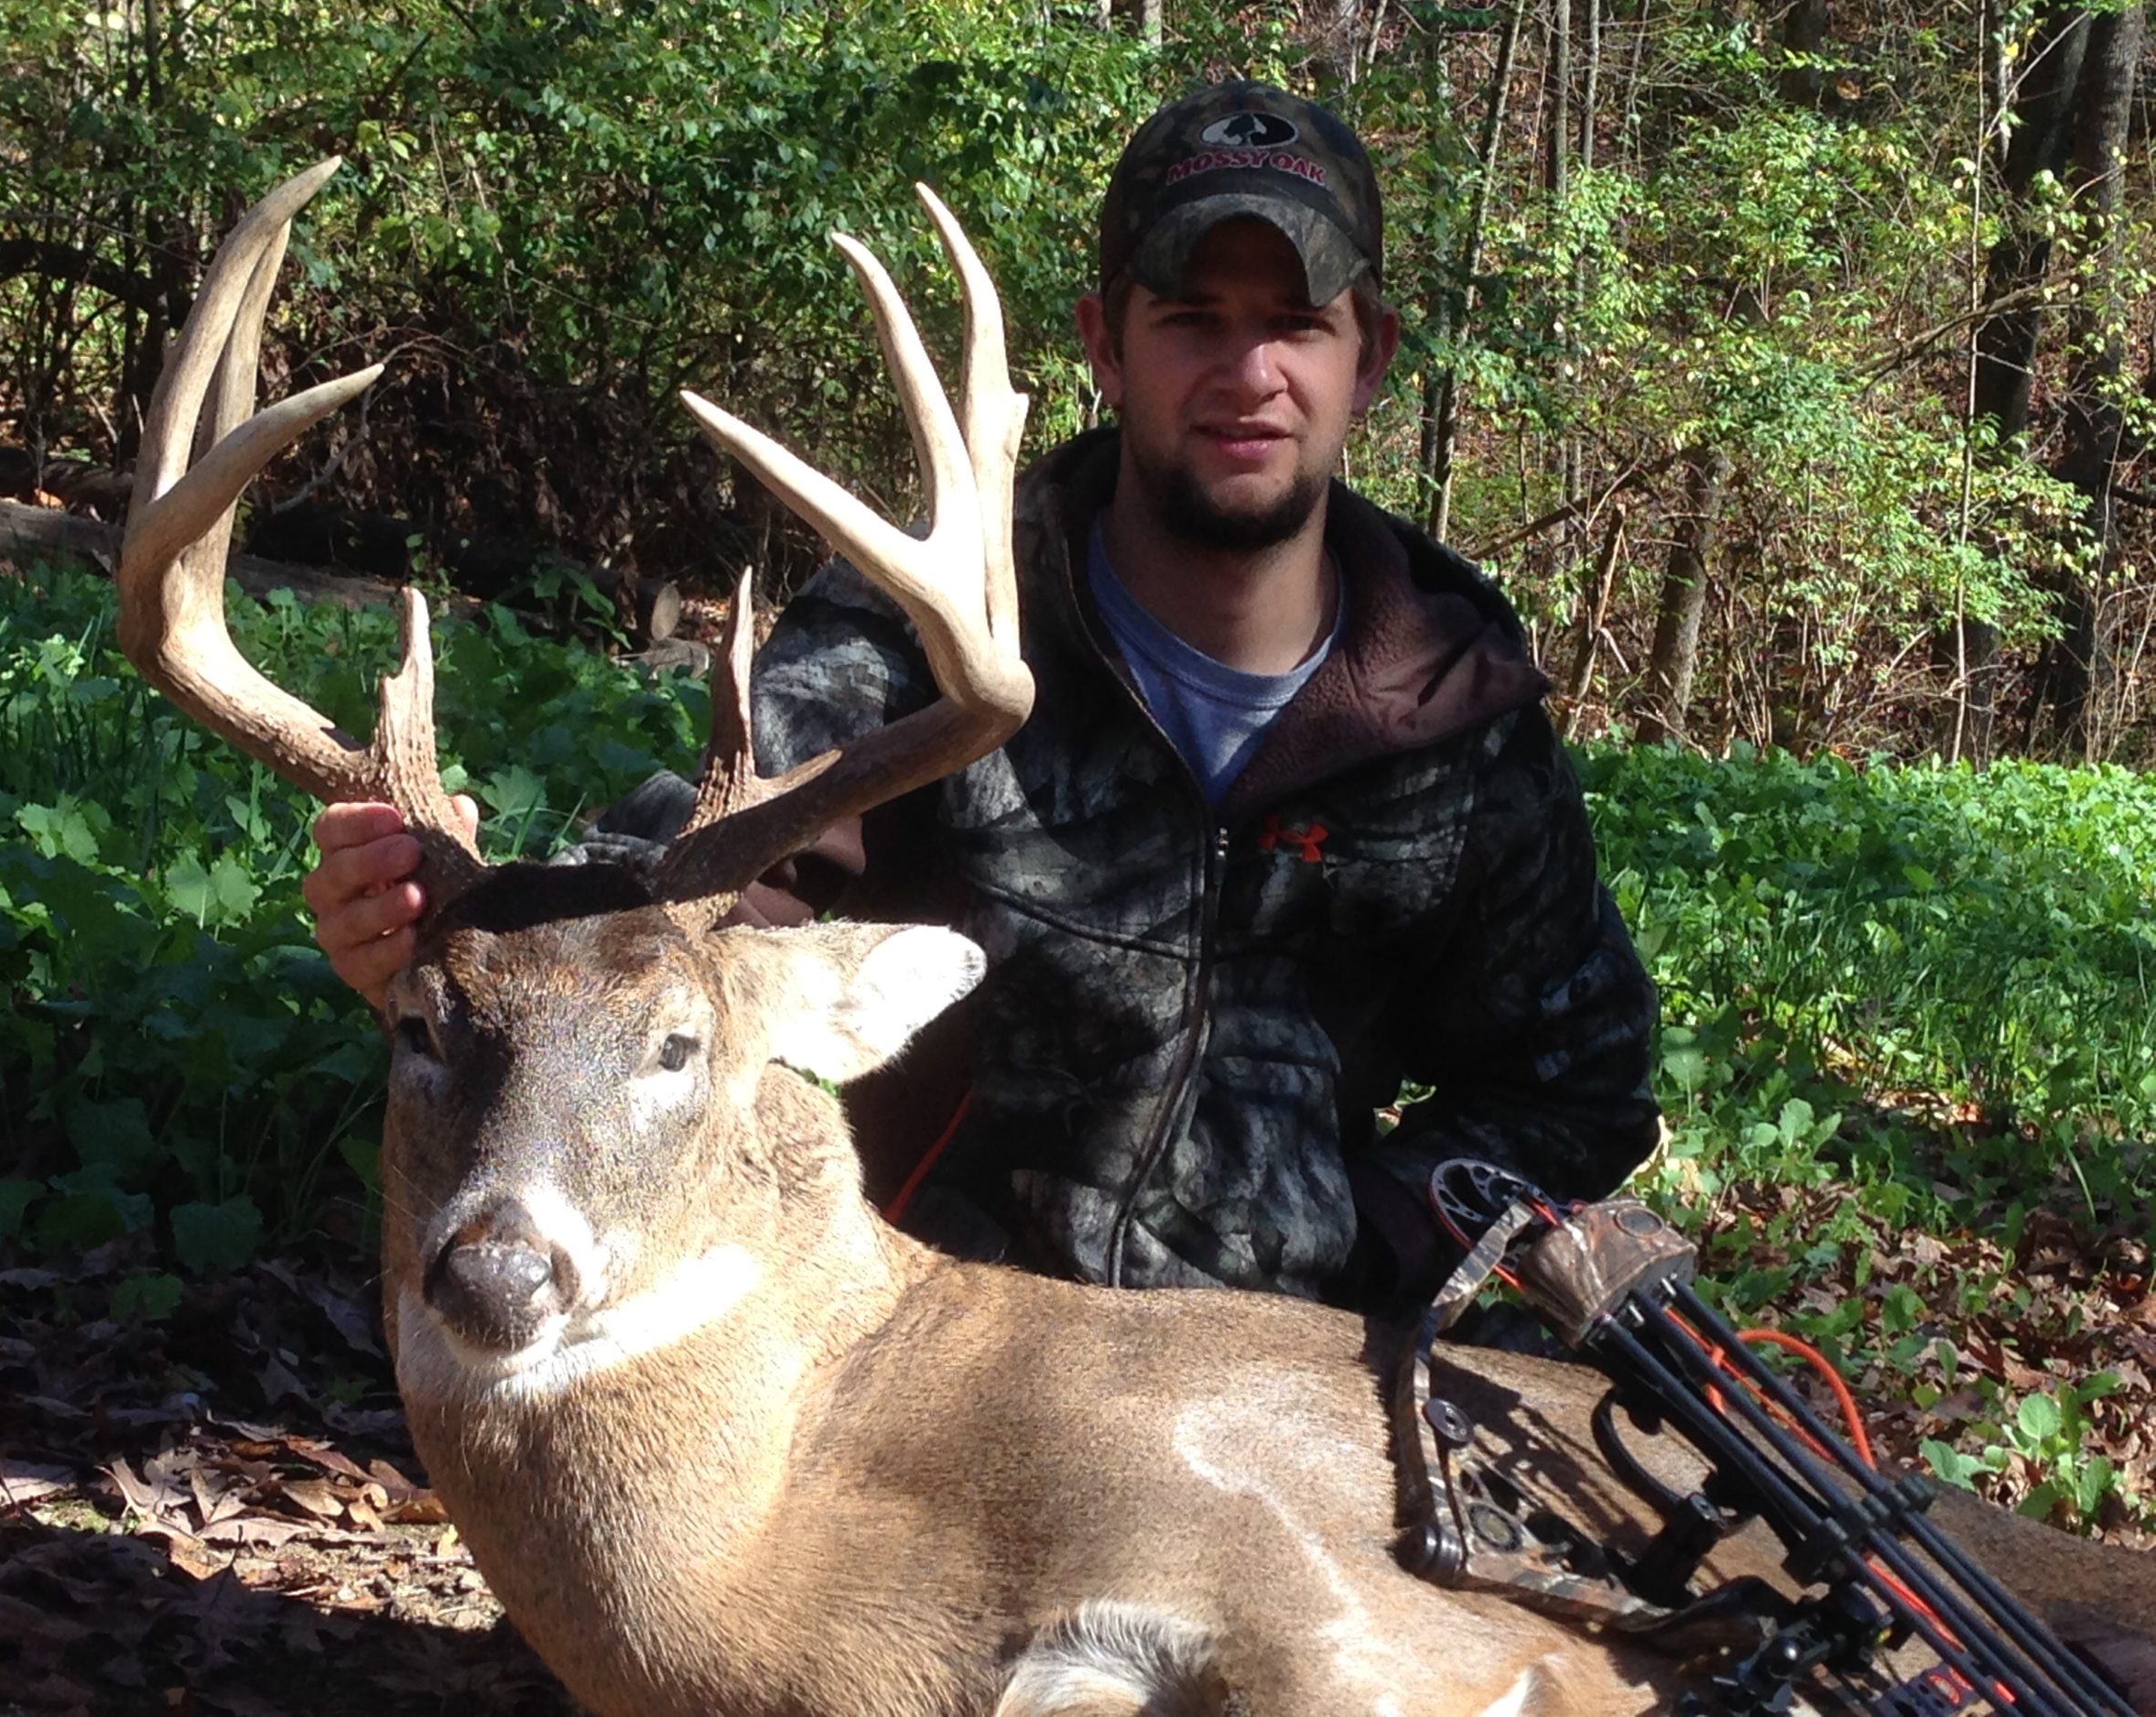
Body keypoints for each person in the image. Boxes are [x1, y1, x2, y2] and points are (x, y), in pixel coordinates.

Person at [304, 80, 1661, 1314]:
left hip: (1271, 1381)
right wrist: (464, 940)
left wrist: (1356, 1245)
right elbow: (680, 906)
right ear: (1106, 347)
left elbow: (1578, 1085)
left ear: (1368, 358)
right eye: (1192, 320)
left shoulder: (1452, 714)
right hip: (923, 1348)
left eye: (1298, 324)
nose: (1250, 375)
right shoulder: (926, 638)